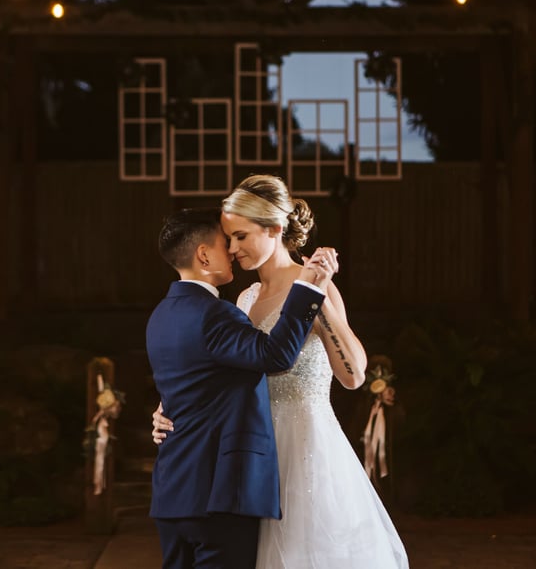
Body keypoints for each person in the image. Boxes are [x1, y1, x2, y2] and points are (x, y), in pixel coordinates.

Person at [154, 176, 408, 568]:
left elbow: (354, 376)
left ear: (274, 228)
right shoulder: (245, 297)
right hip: (247, 457)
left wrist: (317, 295)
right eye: (228, 238)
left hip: (304, 450)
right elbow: (221, 367)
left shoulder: (314, 286)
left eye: (240, 236)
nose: (232, 248)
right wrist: (170, 406)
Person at [147, 206, 339, 569]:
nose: (233, 251)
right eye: (225, 243)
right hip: (218, 495)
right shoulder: (214, 313)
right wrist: (308, 288)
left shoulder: (160, 315)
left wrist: (161, 411)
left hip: (173, 492)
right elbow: (275, 355)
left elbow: (194, 382)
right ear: (204, 255)